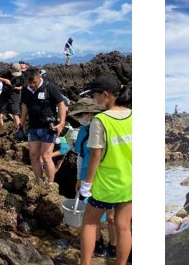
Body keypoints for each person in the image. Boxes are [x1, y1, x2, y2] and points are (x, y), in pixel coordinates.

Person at [78, 76, 133, 265]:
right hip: (129, 183)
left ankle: (84, 263)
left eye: (94, 95)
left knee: (89, 222)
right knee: (124, 227)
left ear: (106, 95)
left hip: (106, 184)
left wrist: (87, 184)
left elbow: (94, 156)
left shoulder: (100, 121)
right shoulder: (134, 116)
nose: (94, 99)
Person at [70, 97, 117, 257]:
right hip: (86, 178)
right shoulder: (82, 132)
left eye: (81, 115)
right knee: (91, 216)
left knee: (111, 217)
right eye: (77, 116)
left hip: (106, 178)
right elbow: (80, 156)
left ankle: (114, 245)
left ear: (90, 113)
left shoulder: (106, 126)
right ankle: (97, 243)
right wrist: (78, 178)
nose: (79, 119)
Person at [19, 68, 67, 182]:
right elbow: (24, 106)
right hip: (33, 127)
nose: (33, 85)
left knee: (46, 156)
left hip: (48, 127)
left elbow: (61, 104)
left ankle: (50, 184)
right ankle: (39, 181)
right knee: (33, 155)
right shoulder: (26, 90)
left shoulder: (50, 88)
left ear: (39, 77)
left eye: (34, 82)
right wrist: (21, 124)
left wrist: (61, 123)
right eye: (30, 83)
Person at [0, 63, 24, 134]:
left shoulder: (21, 75)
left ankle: (19, 133)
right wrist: (4, 80)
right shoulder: (6, 72)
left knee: (15, 115)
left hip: (15, 95)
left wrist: (16, 88)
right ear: (10, 69)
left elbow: (22, 86)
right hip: (4, 95)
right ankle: (2, 132)